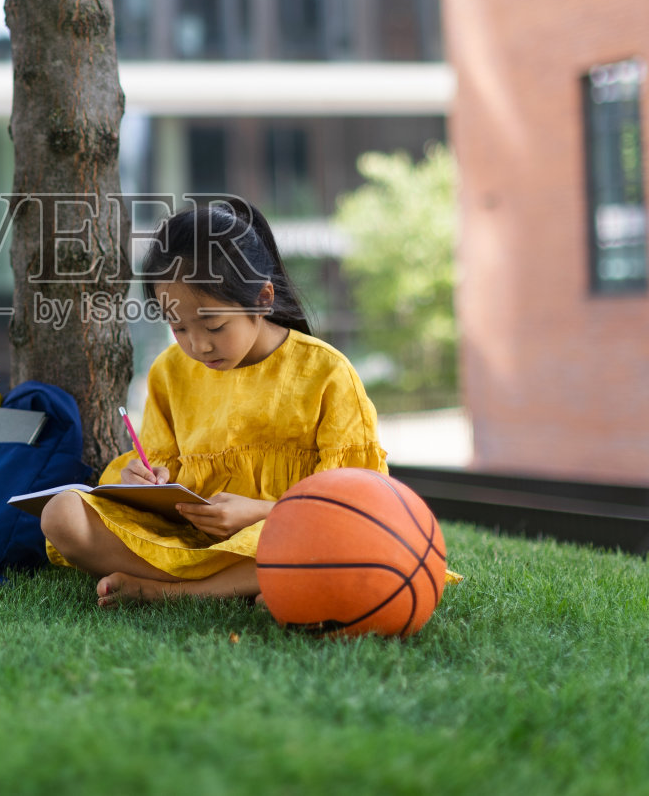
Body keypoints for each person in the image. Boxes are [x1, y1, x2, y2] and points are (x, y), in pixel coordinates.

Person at [43, 200, 442, 607]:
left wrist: (259, 512)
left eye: (214, 325)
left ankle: (177, 593)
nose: (198, 345)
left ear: (262, 298)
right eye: (178, 327)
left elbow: (355, 505)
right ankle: (249, 586)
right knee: (61, 514)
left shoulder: (326, 372)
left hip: (281, 536)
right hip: (194, 541)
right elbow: (163, 472)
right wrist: (142, 480)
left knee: (338, 543)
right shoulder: (169, 372)